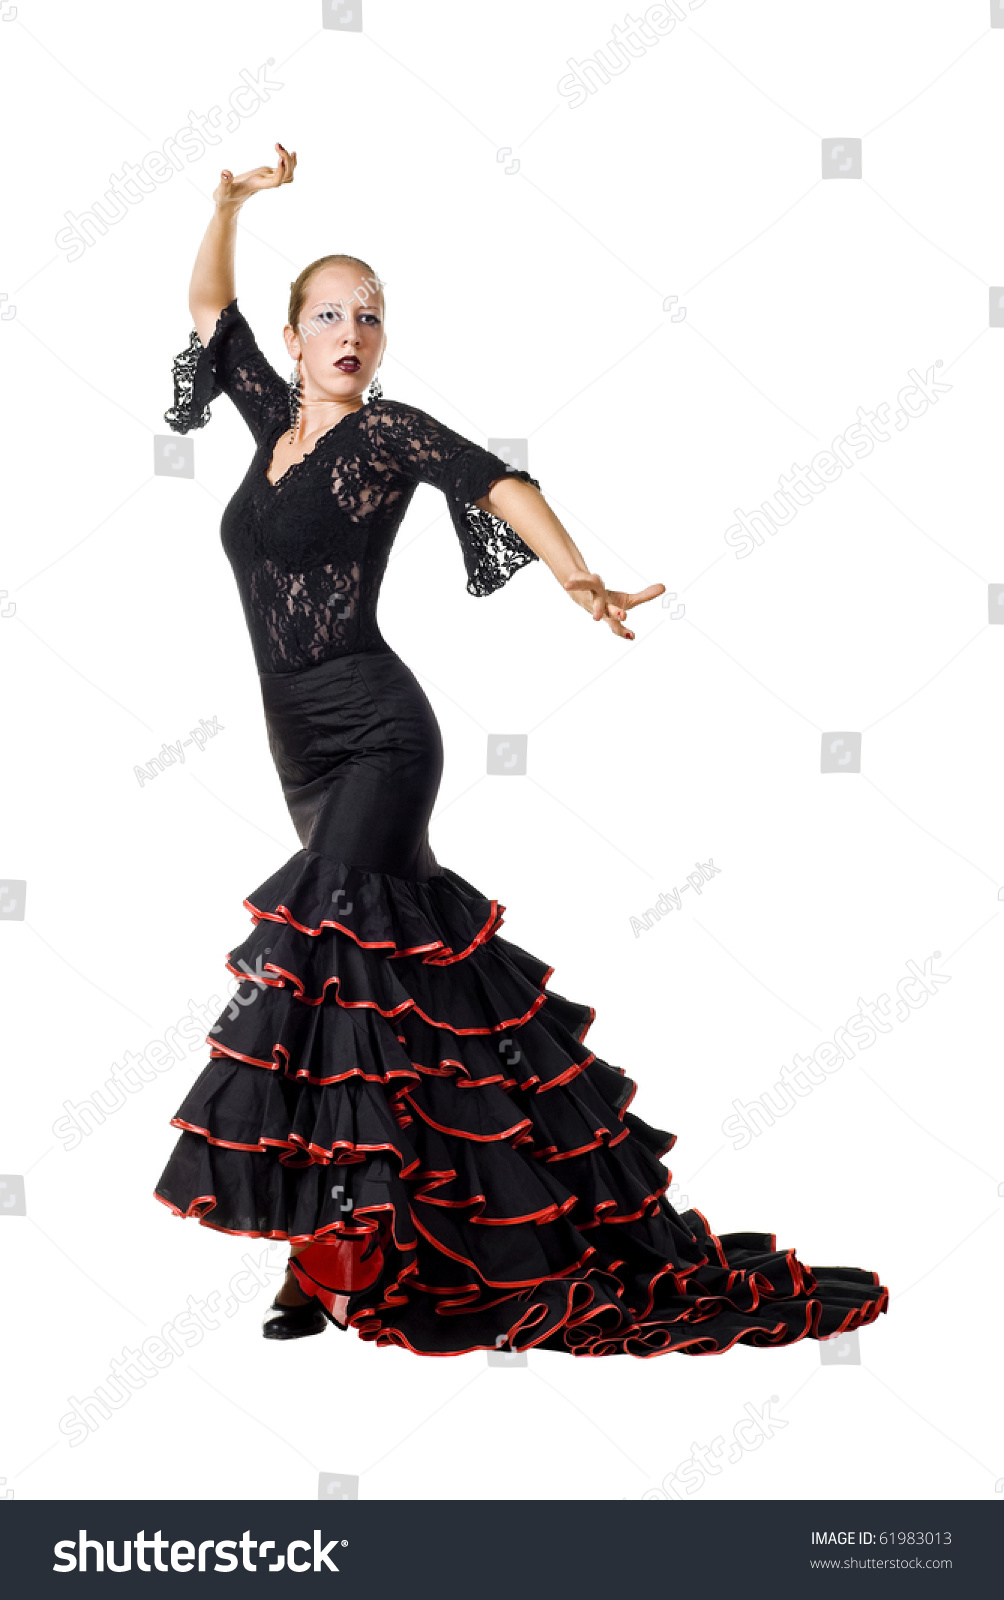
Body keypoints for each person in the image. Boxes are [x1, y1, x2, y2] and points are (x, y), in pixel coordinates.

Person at [154, 143, 888, 1355]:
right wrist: (227, 203)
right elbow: (203, 308)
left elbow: (494, 482)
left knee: (320, 962)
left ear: (382, 344)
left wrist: (578, 576)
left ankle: (322, 1257)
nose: (352, 332)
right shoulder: (264, 420)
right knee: (397, 981)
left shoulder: (384, 436)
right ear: (295, 338)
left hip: (382, 730)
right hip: (298, 747)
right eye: (330, 314)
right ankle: (420, 1218)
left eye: (370, 318)